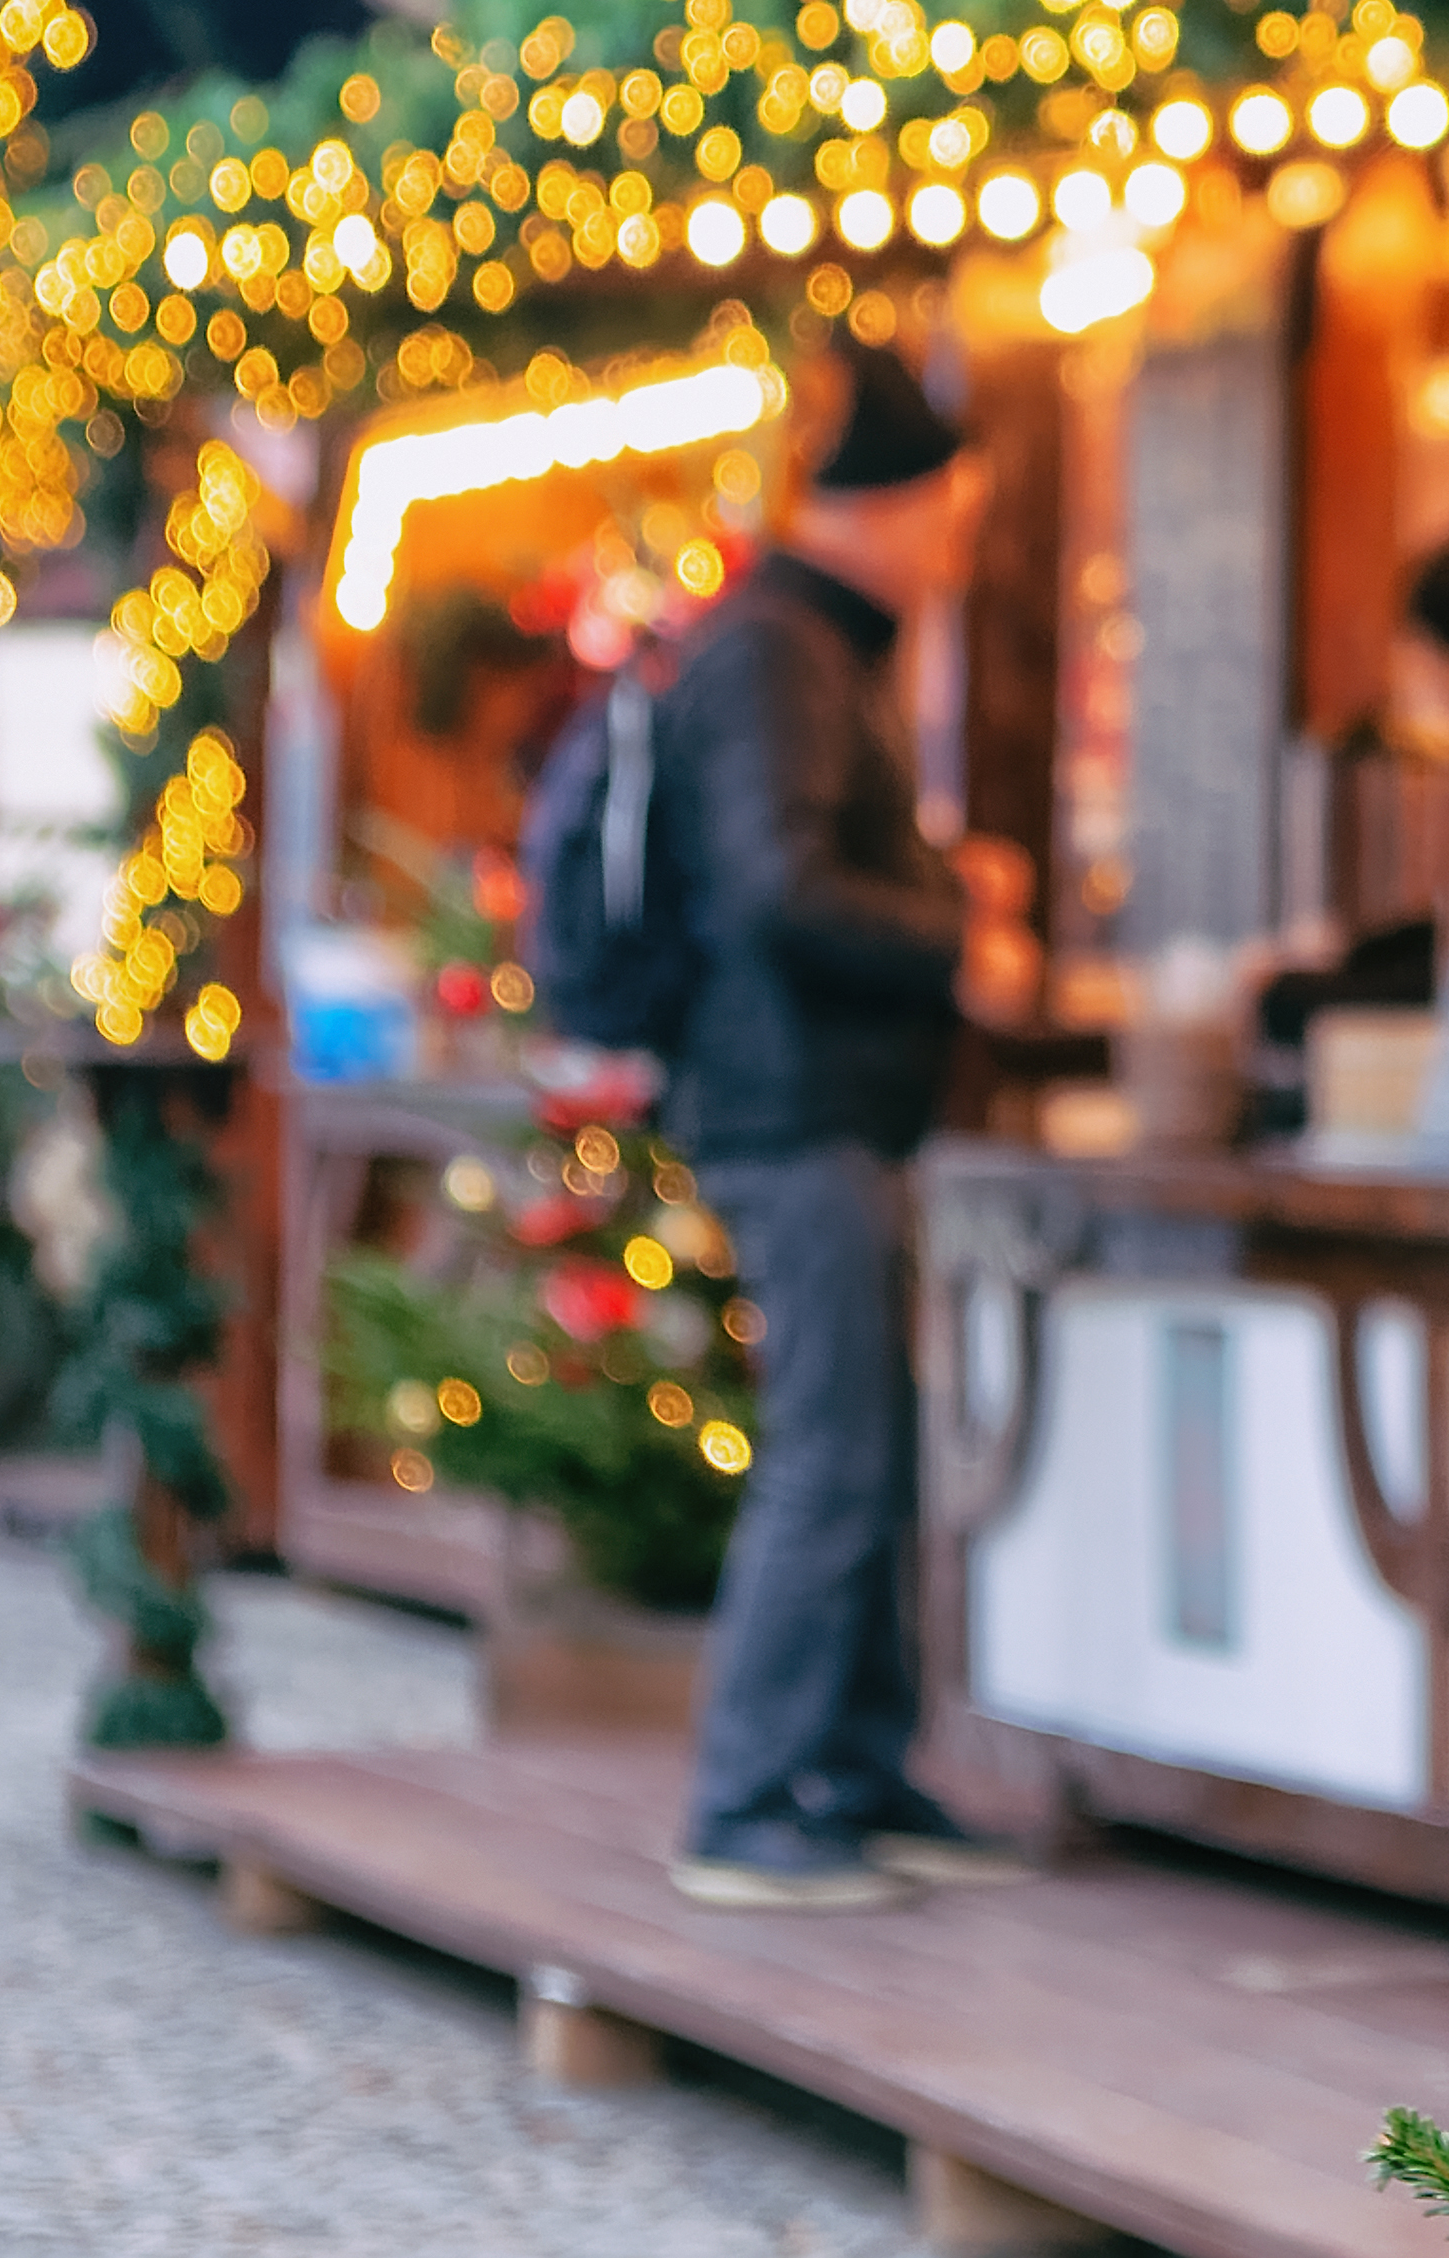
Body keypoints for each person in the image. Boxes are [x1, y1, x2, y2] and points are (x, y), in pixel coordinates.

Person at [654, 338, 1040, 1909]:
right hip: (790, 1108)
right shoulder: (777, 653)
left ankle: (855, 1772)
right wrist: (960, 940)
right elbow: (774, 888)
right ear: (877, 510)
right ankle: (748, 1798)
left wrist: (945, 884)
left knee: (865, 1443)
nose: (957, 544)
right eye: (946, 512)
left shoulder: (806, 648)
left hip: (827, 1108)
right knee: (830, 1449)